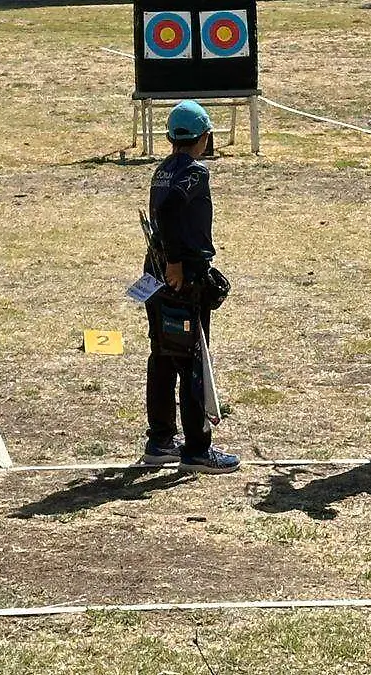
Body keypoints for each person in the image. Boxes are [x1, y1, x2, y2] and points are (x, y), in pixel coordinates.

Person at [140, 101, 241, 474]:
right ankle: (197, 449)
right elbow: (168, 213)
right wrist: (177, 263)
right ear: (204, 137)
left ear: (169, 137)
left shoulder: (161, 170)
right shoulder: (194, 173)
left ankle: (161, 440)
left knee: (164, 356)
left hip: (157, 278)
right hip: (180, 279)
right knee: (192, 360)